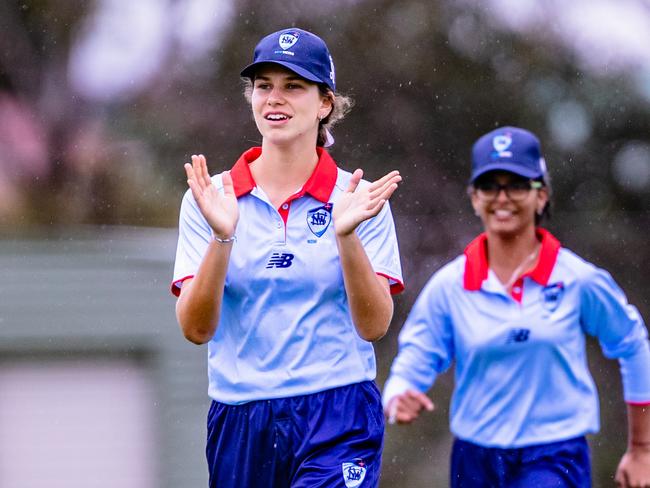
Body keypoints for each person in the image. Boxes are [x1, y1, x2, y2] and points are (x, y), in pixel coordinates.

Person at [171, 27, 404, 488]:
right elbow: (196, 330)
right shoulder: (209, 198)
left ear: (325, 104)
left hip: (337, 410)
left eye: (293, 86)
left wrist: (346, 235)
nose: (275, 98)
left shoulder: (359, 199)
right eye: (264, 86)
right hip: (241, 416)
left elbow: (374, 326)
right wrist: (223, 236)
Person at [382, 126, 650, 487]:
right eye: (490, 186)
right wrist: (399, 392)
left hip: (554, 455)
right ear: (475, 198)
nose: (502, 197)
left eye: (518, 185)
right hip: (475, 458)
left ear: (541, 196)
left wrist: (641, 448)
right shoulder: (450, 285)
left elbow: (632, 343)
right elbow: (417, 354)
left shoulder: (577, 279)